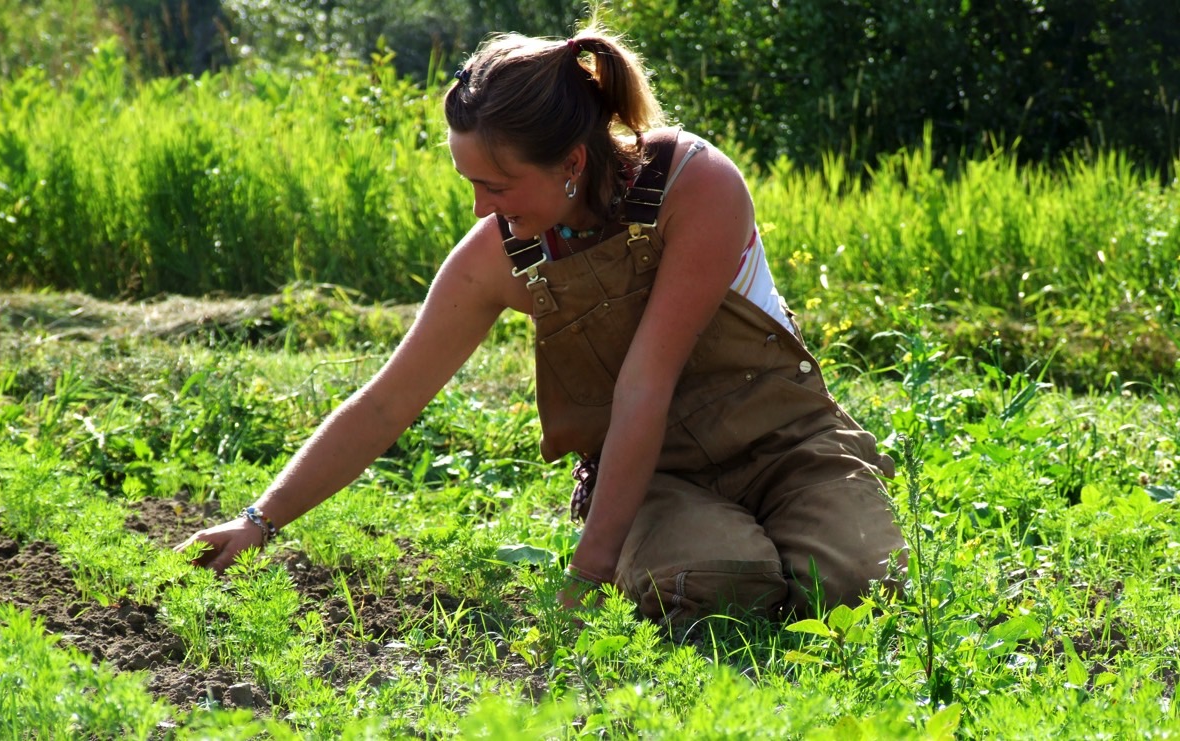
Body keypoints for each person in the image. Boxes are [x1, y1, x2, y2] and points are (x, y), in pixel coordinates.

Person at [176, 24, 905, 628]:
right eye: (471, 186)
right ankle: (709, 554)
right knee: (721, 581)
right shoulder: (496, 257)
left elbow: (645, 385)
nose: (478, 211)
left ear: (572, 163)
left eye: (494, 187)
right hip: (660, 478)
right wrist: (258, 521)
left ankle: (804, 536)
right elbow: (384, 404)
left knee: (859, 587)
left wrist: (585, 578)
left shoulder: (695, 186)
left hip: (788, 444)